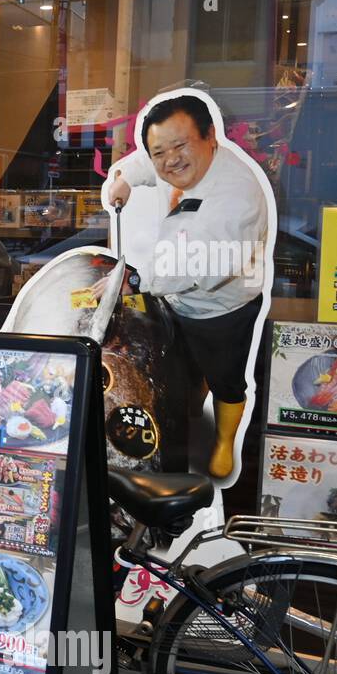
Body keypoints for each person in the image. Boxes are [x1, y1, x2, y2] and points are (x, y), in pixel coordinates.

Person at [92, 94, 269, 480]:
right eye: (160, 152)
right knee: (176, 368)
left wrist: (136, 279)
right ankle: (185, 416)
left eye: (179, 146)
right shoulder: (181, 163)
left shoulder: (237, 196)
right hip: (171, 296)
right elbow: (150, 161)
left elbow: (204, 265)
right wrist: (124, 179)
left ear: (210, 137)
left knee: (226, 377)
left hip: (220, 308)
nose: (170, 159)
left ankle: (224, 439)